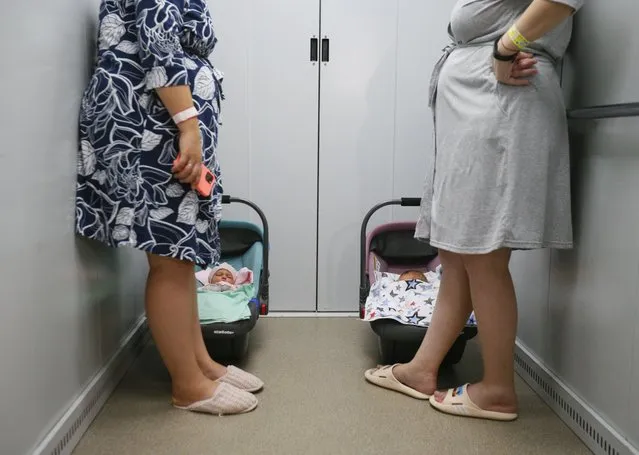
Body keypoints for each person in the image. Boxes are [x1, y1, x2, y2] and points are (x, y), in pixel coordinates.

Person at [365, 0, 583, 421]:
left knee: (482, 253)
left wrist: (505, 46)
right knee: (458, 251)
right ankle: (422, 369)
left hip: (502, 97)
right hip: (479, 102)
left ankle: (498, 388)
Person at [75, 0, 263, 416]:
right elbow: (157, 43)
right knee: (169, 258)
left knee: (180, 255)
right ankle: (188, 385)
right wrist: (189, 125)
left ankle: (201, 365)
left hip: (158, 120)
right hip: (150, 122)